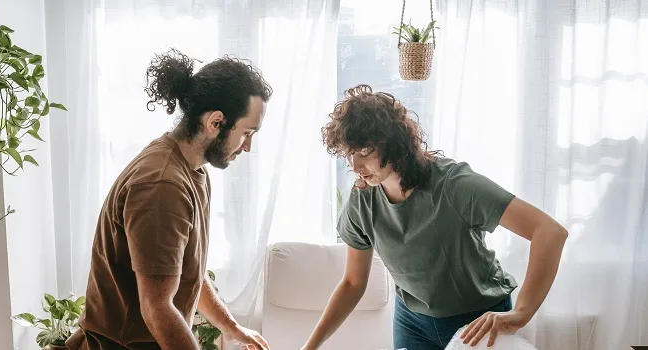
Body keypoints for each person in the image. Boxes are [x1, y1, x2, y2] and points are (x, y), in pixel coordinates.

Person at [301, 85, 568, 350]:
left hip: (477, 321)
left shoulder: (456, 185)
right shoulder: (362, 200)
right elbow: (352, 282)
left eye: (365, 153)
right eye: (349, 153)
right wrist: (309, 347)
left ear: (393, 145)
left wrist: (522, 313)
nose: (355, 166)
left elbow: (549, 231)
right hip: (412, 322)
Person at [66, 49, 272, 350]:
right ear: (215, 122)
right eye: (247, 133)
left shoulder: (193, 172)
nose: (248, 146)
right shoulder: (162, 186)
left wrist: (232, 327)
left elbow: (188, 272)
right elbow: (157, 308)